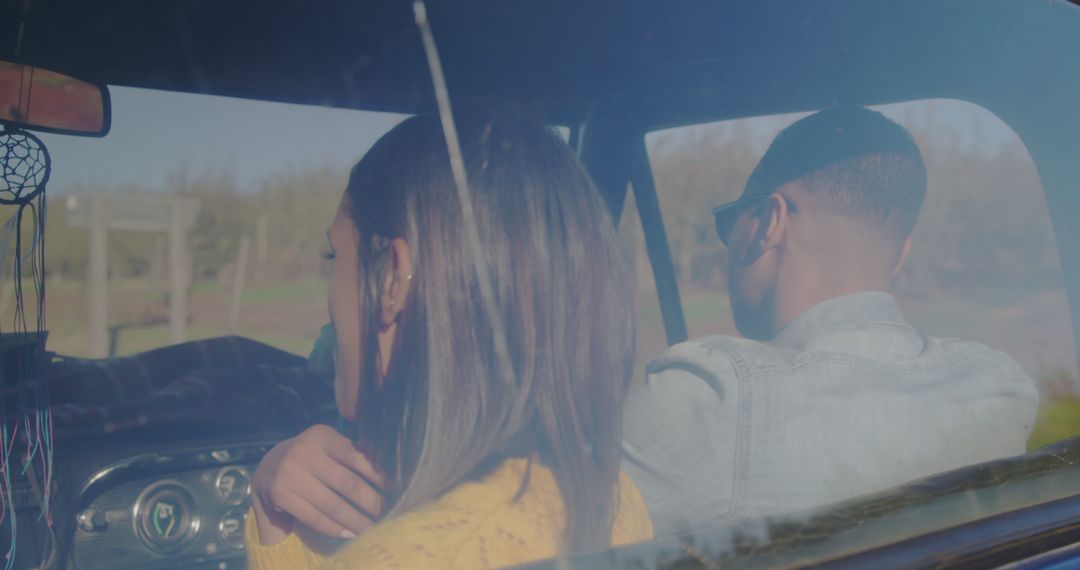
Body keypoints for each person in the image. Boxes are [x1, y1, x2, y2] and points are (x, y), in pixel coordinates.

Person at [244, 112, 652, 569]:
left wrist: (270, 519)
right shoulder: (615, 500)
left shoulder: (397, 558)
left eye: (334, 255)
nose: (328, 291)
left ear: (393, 279)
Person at [622, 106, 1040, 536]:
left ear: (770, 221)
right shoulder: (997, 386)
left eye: (730, 222)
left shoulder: (709, 402)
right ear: (901, 254)